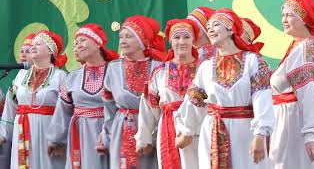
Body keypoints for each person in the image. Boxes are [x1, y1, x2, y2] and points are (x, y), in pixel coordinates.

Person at [174, 8, 274, 169]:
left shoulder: (252, 61)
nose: (210, 30)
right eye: (208, 27)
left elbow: (262, 98)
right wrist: (186, 131)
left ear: (231, 29)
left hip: (244, 131)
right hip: (212, 131)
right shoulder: (206, 67)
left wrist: (260, 134)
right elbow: (193, 101)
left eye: (216, 25)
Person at [98, 15, 166, 169]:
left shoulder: (159, 67)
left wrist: (151, 138)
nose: (122, 41)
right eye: (121, 36)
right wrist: (106, 134)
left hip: (152, 128)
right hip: (121, 128)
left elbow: (164, 107)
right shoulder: (113, 68)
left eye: (129, 36)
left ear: (142, 40)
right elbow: (108, 107)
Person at [47, 23, 119, 169]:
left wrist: (109, 133)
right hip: (80, 133)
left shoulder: (115, 72)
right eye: (75, 44)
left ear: (98, 43)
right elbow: (63, 110)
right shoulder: (72, 77)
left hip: (110, 131)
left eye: (82, 41)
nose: (78, 46)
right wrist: (56, 140)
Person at [135, 19, 200, 169]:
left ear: (193, 40)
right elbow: (148, 106)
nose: (181, 42)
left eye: (186, 37)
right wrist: (144, 138)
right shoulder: (160, 72)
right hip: (168, 127)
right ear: (170, 41)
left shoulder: (203, 68)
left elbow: (208, 101)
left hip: (198, 127)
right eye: (177, 37)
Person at [0, 30, 68, 169]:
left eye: (38, 43)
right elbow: (10, 109)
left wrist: (61, 140)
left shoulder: (61, 77)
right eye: (32, 44)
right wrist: (2, 134)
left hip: (49, 136)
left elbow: (67, 112)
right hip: (22, 134)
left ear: (50, 51)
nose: (33, 46)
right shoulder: (20, 76)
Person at [269, 0, 314, 169]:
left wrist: (311, 133)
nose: (283, 19)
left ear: (304, 18)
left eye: (289, 15)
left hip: (294, 124)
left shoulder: (307, 46)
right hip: (286, 123)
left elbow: (310, 90)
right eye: (283, 14)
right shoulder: (297, 45)